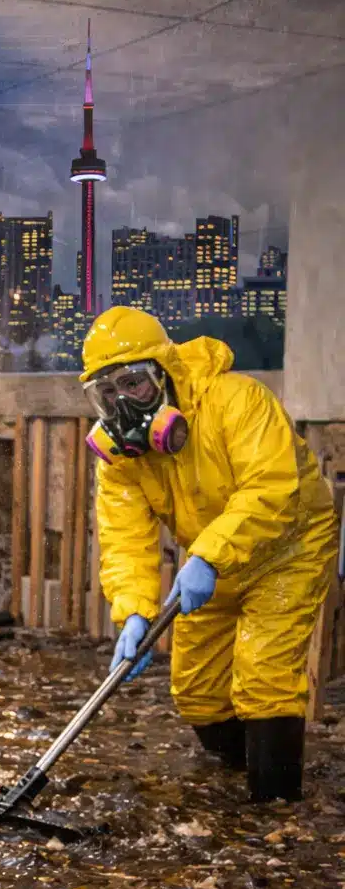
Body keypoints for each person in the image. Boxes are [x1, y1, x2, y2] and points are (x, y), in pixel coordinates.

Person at [82, 307, 337, 803]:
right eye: (107, 393)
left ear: (165, 372)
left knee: (264, 674)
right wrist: (133, 609)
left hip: (289, 545)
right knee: (197, 692)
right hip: (212, 558)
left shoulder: (238, 401)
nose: (123, 403)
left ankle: (274, 811)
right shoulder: (121, 461)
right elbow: (124, 538)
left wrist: (210, 555)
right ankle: (239, 776)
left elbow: (272, 487)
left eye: (133, 384)